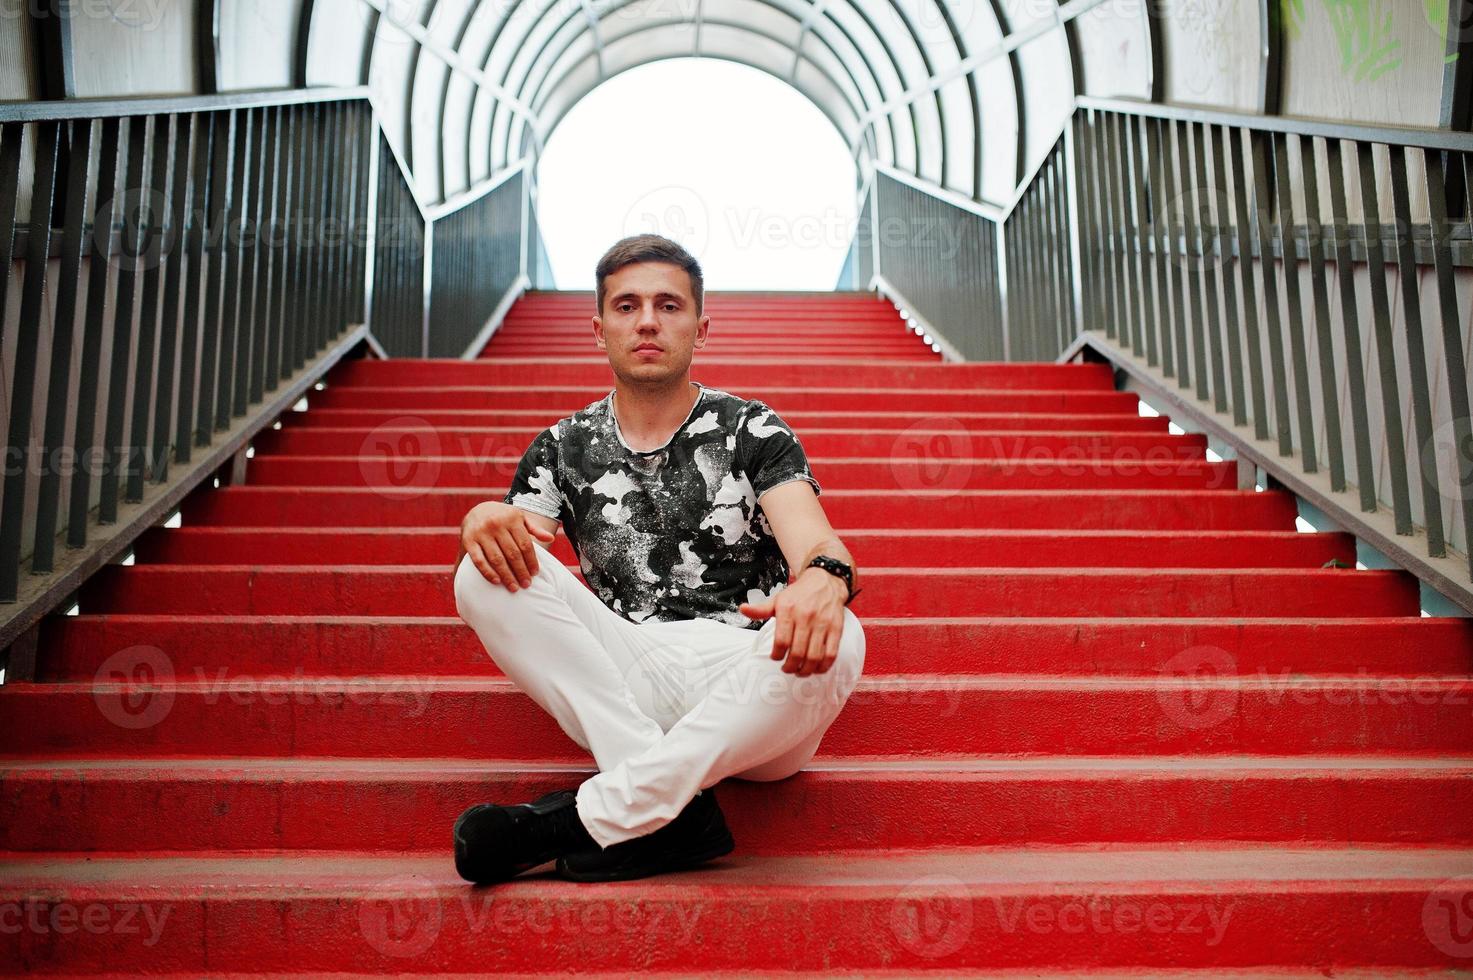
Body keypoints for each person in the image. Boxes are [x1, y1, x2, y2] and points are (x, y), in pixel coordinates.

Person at [451, 233, 866, 884]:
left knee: (843, 636)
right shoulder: (562, 446)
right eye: (627, 305)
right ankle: (667, 810)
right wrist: (483, 519)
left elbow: (817, 543)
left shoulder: (752, 429)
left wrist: (824, 578)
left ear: (701, 327)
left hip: (750, 690)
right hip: (630, 681)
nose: (647, 320)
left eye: (669, 305)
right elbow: (517, 552)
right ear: (598, 328)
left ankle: (598, 815)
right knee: (481, 572)